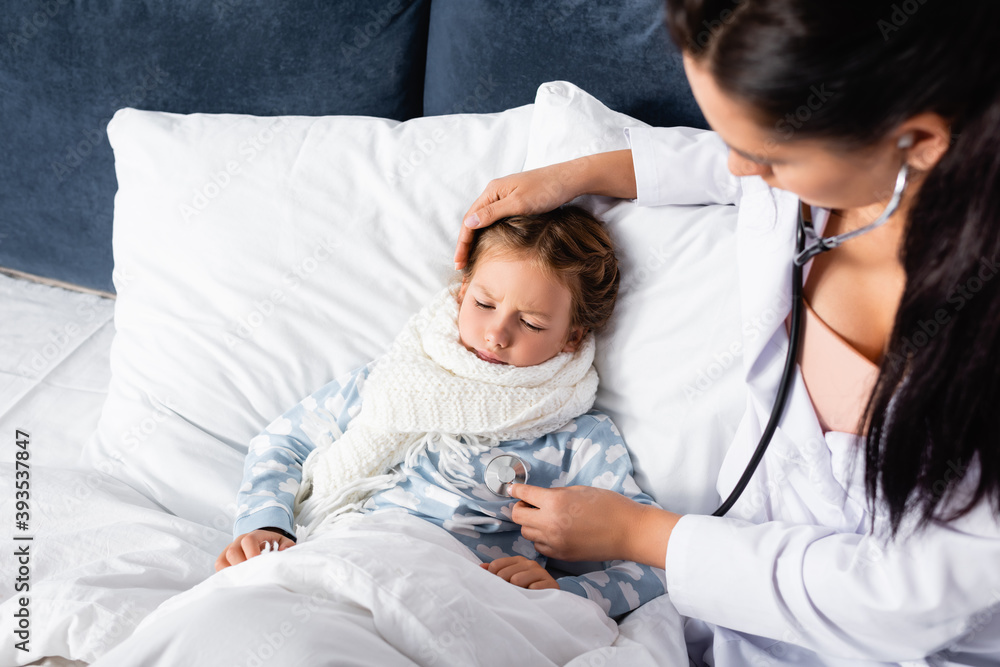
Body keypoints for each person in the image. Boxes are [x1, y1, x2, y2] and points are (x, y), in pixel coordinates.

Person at [454, 1, 1000, 664]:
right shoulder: (835, 163)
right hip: (720, 608)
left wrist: (641, 534)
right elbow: (723, 159)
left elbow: (911, 600)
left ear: (921, 142)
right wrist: (577, 174)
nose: (741, 170)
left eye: (768, 157)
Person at [216, 205, 668, 619]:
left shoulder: (579, 438)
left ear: (572, 336)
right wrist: (266, 524)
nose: (496, 334)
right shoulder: (396, 378)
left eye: (531, 323)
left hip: (459, 588)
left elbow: (653, 563)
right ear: (461, 293)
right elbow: (283, 442)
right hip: (343, 549)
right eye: (484, 304)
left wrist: (568, 591)